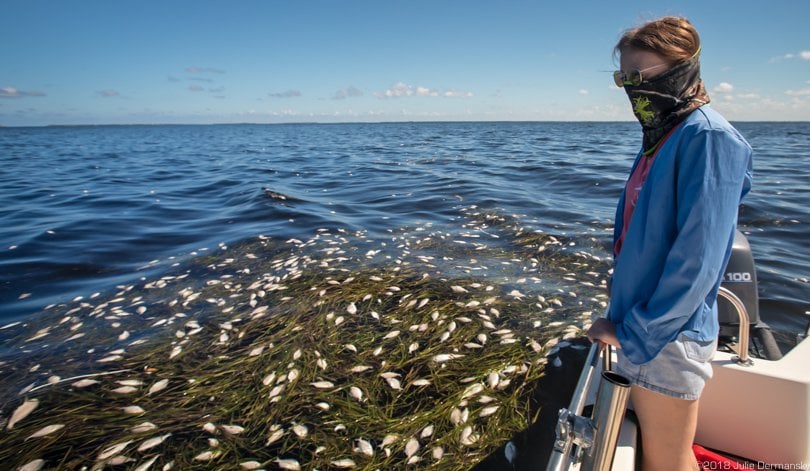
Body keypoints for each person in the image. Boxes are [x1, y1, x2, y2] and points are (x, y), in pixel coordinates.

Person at [585, 16, 753, 471]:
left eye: (641, 76)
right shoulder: (661, 138)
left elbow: (698, 261)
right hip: (644, 327)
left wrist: (632, 332)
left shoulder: (710, 139)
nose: (631, 88)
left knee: (668, 461)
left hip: (665, 338)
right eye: (624, 78)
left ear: (682, 69)